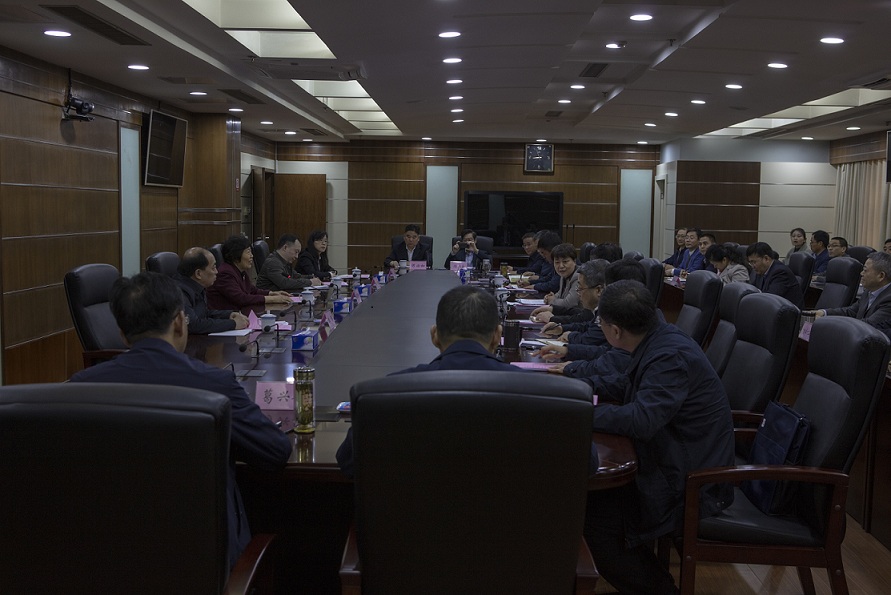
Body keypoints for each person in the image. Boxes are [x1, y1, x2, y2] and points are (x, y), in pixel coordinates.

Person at [69, 272, 292, 570]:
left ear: (122, 334)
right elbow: (275, 451)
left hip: (109, 560)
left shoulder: (80, 387)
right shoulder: (214, 383)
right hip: (204, 563)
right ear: (179, 322)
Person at [583, 279, 735, 595]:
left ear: (615, 331)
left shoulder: (669, 356)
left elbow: (642, 419)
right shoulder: (659, 339)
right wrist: (575, 389)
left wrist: (579, 413)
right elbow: (628, 387)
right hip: (676, 457)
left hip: (694, 481)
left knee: (595, 519)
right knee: (590, 503)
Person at [335, 285, 526, 477]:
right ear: (497, 336)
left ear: (434, 335)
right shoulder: (530, 390)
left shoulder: (386, 394)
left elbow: (349, 461)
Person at [207, 235, 292, 312]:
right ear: (236, 255)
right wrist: (273, 299)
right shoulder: (225, 273)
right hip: (225, 319)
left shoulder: (240, 271)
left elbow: (252, 290)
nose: (252, 256)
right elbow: (241, 298)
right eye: (248, 252)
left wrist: (271, 293)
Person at [175, 247, 249, 334]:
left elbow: (203, 314)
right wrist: (233, 324)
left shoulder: (197, 287)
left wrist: (228, 315)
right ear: (198, 274)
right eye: (213, 268)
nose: (216, 272)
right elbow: (193, 325)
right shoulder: (180, 292)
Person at [805, 251, 891, 326]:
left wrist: (831, 323)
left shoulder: (888, 299)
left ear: (881, 276)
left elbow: (869, 325)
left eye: (865, 270)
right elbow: (851, 311)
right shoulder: (869, 292)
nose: (861, 273)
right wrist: (824, 313)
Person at [257, 234, 321, 292]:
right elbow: (284, 283)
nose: (297, 256)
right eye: (296, 252)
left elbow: (295, 276)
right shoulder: (272, 262)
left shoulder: (284, 262)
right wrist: (310, 282)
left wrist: (311, 277)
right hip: (270, 299)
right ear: (285, 248)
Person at [746, 242, 804, 307]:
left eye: (754, 262)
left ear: (766, 259)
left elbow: (770, 299)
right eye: (750, 263)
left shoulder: (780, 272)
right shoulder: (761, 270)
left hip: (787, 311)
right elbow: (753, 291)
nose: (752, 266)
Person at [541, 243, 580, 311]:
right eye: (557, 262)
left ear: (574, 261)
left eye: (565, 262)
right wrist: (549, 297)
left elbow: (569, 304)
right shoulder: (564, 275)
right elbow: (560, 295)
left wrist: (552, 300)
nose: (561, 266)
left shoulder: (579, 277)